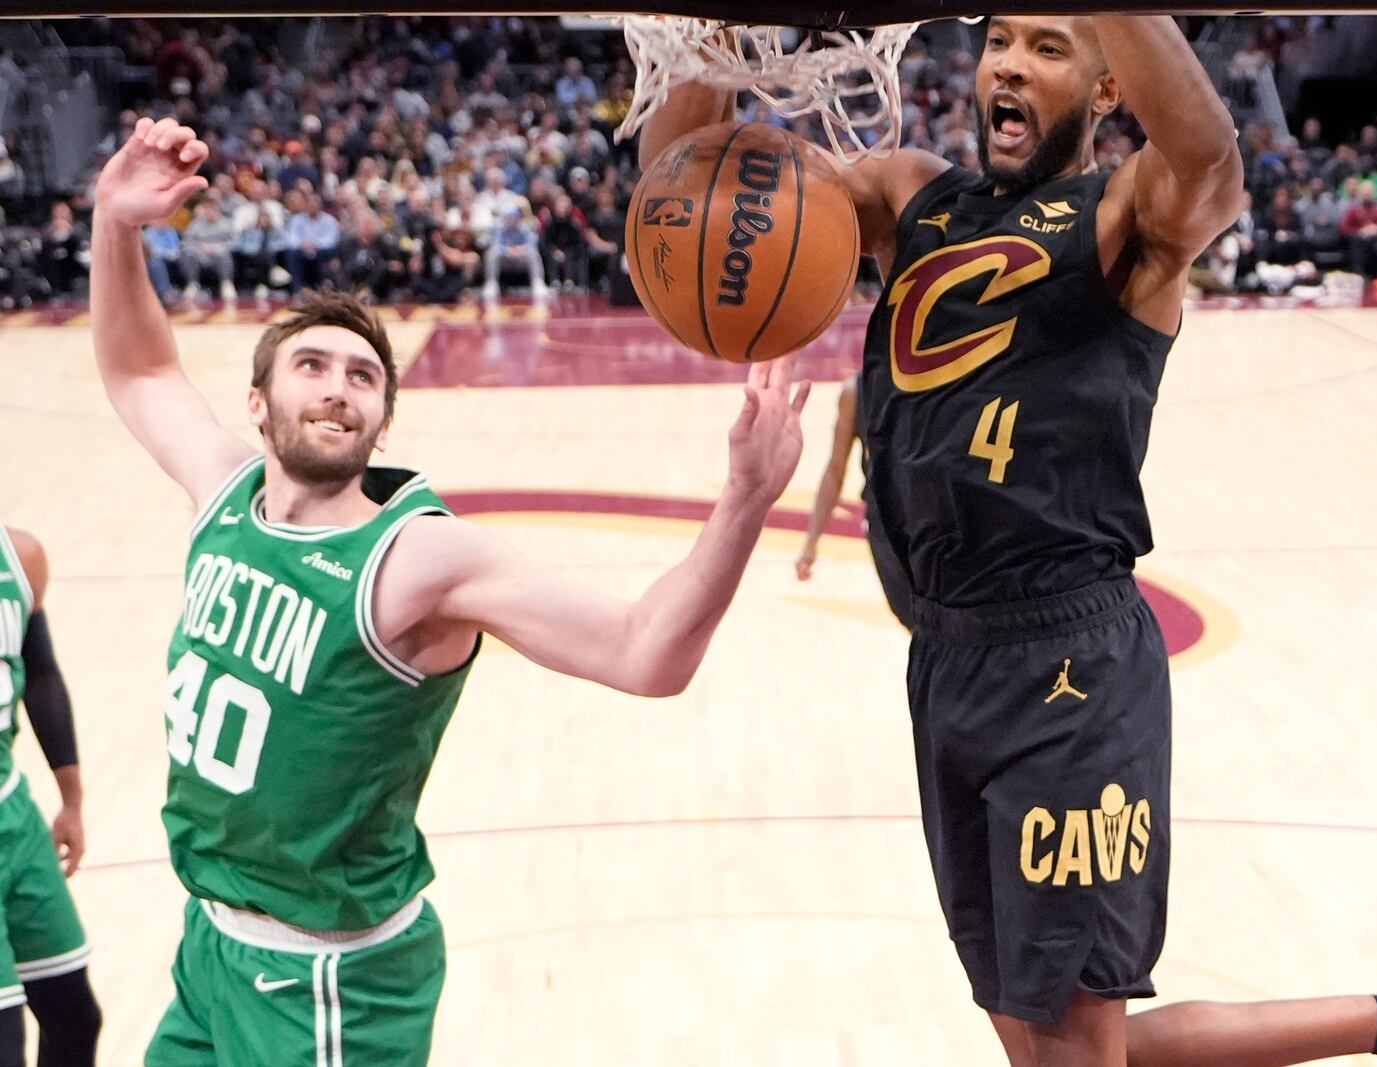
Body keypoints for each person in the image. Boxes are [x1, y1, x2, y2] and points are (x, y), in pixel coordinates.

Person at [642, 16, 1377, 1067]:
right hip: (944, 659)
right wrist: (704, 42)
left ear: (1106, 89)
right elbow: (688, 187)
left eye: (1049, 47)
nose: (1008, 62)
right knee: (1046, 1043)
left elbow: (1208, 164)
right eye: (1002, 38)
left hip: (1068, 670)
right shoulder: (912, 196)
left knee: (1077, 1047)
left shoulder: (1123, 222)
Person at [91, 115, 810, 1065]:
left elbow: (645, 652)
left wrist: (749, 496)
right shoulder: (223, 488)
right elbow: (141, 367)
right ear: (259, 404)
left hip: (326, 980)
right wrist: (112, 217)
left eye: (363, 375)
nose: (339, 387)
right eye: (311, 365)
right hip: (212, 947)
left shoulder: (416, 560)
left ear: (381, 421)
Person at [0, 524, 102, 1067]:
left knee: (75, 1017)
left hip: (13, 818)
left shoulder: (20, 556)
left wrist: (72, 800)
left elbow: (40, 676)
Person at [794, 374, 912, 629]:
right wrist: (811, 543)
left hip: (934, 516)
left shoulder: (933, 380)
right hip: (886, 524)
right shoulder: (855, 392)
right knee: (913, 621)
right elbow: (835, 470)